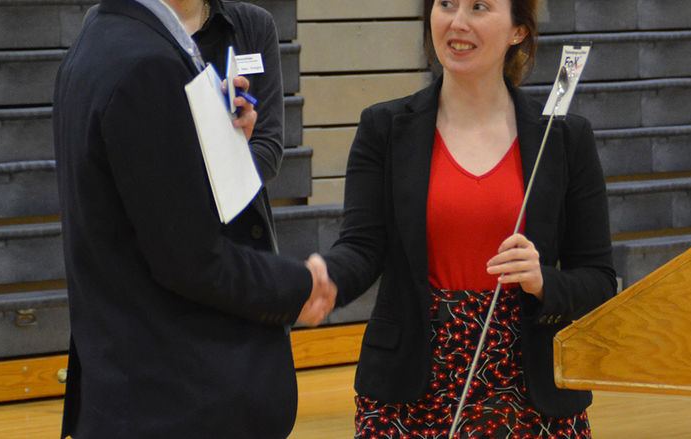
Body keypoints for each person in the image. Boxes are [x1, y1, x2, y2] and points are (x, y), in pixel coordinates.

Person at [321, 0, 616, 437]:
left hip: (529, 387)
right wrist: (322, 279)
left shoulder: (566, 137)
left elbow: (599, 281)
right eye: (446, 4)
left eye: (479, 6)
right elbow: (361, 248)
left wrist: (542, 281)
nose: (457, 22)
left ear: (518, 30)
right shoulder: (383, 127)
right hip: (410, 385)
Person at [53, 0, 335, 437]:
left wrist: (223, 139)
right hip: (173, 391)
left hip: (129, 379)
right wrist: (296, 285)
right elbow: (188, 257)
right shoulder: (146, 63)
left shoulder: (100, 37)